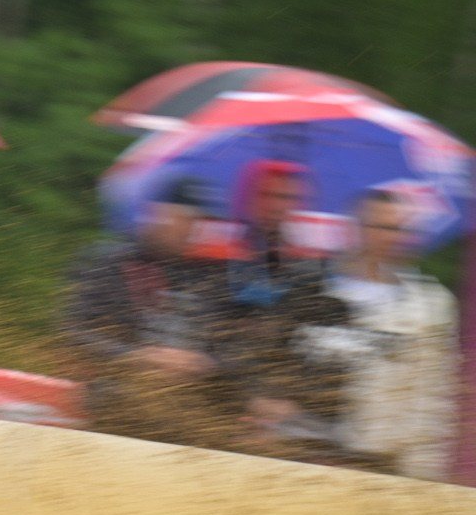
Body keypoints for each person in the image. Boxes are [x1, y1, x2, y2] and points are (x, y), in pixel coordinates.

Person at [62, 178, 243, 449]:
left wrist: (204, 362)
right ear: (160, 215)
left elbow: (235, 349)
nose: (192, 230)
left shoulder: (209, 276)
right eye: (186, 220)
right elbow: (71, 332)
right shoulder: (112, 264)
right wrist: (136, 357)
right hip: (121, 397)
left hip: (194, 406)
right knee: (127, 406)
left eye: (199, 222)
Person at [294, 190, 459, 480]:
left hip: (387, 464)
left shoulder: (432, 305)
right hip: (309, 456)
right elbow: (288, 368)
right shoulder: (311, 293)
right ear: (353, 229)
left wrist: (422, 473)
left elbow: (435, 397)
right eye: (381, 227)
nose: (392, 237)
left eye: (399, 228)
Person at [197, 159, 351, 455]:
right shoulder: (217, 260)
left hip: (288, 410)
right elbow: (208, 337)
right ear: (250, 198)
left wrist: (290, 400)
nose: (278, 206)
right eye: (269, 196)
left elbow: (315, 345)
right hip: (222, 400)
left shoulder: (309, 270)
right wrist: (248, 397)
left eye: (288, 198)